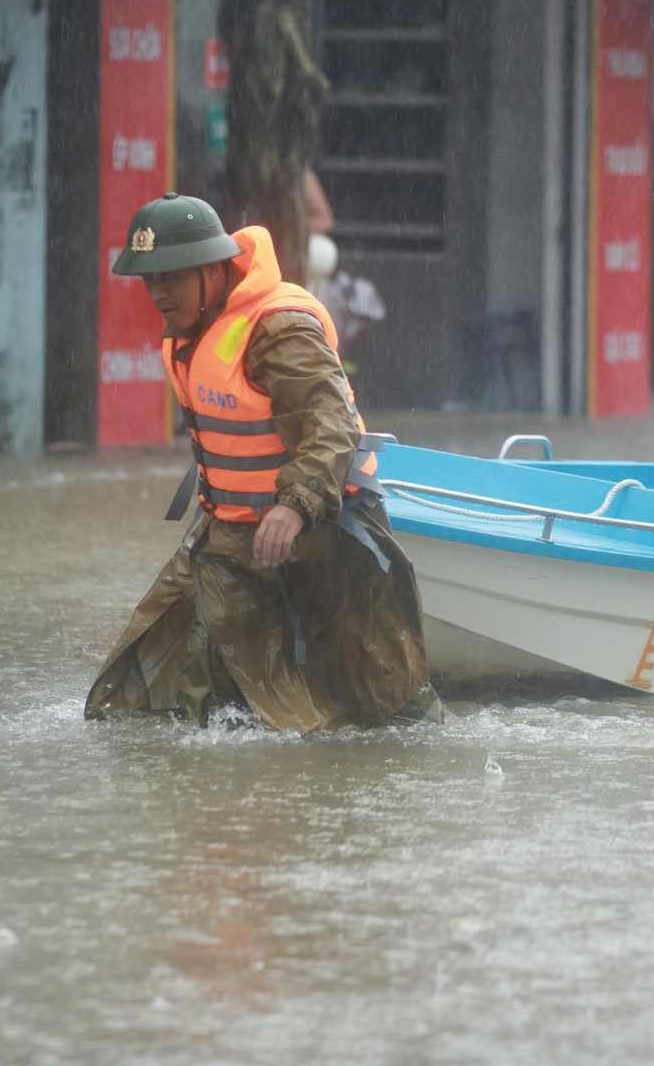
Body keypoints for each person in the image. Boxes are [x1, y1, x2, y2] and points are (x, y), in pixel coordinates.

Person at [85, 193, 437, 731]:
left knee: (383, 702)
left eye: (171, 277)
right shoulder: (192, 328)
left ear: (212, 268)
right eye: (148, 279)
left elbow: (331, 425)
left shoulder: (281, 328)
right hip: (233, 533)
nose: (157, 292)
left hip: (330, 530)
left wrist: (294, 507)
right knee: (182, 686)